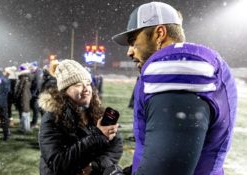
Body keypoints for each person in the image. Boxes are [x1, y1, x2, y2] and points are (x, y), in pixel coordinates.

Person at [111, 2, 237, 175]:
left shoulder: (175, 67)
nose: (130, 52)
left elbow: (166, 169)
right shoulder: (196, 66)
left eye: (134, 41)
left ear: (159, 34)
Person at [38, 59, 123, 175]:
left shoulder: (97, 112)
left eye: (88, 84)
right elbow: (57, 163)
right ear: (64, 91)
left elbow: (116, 146)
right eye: (78, 85)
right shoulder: (52, 118)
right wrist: (97, 136)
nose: (86, 89)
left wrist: (95, 165)